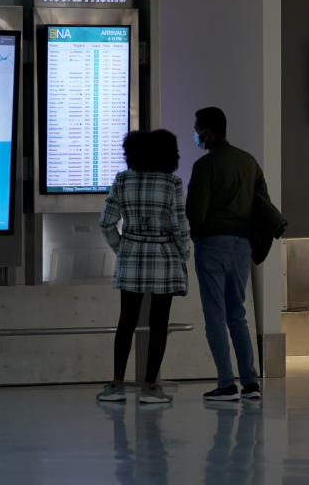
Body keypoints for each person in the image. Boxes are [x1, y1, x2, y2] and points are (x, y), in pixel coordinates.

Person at [97, 129, 191, 404]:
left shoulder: (122, 180)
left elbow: (106, 222)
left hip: (132, 257)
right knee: (158, 323)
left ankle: (116, 384)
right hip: (165, 258)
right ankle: (150, 386)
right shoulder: (172, 183)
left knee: (126, 320)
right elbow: (179, 226)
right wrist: (184, 253)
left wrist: (122, 248)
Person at [186, 107, 267, 401]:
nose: (195, 135)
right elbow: (263, 204)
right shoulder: (248, 161)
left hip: (212, 244)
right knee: (238, 315)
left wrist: (198, 234)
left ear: (207, 131)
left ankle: (225, 383)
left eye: (196, 130)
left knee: (215, 316)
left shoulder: (205, 165)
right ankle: (250, 383)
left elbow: (195, 210)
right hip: (242, 245)